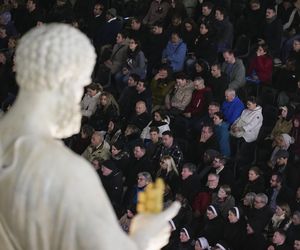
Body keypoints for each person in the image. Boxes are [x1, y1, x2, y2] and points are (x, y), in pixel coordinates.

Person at [0, 24, 180, 250]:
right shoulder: (69, 173)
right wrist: (144, 237)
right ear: (65, 81)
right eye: (82, 84)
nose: (83, 94)